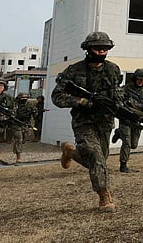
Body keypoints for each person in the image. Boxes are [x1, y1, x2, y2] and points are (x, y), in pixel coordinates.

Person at [51, 31, 124, 212]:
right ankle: (104, 195)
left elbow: (118, 92)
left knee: (100, 160)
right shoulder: (74, 71)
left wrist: (118, 104)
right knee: (95, 155)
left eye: (105, 48)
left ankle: (70, 152)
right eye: (97, 48)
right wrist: (83, 102)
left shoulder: (113, 70)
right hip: (83, 121)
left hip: (105, 121)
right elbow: (57, 96)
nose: (101, 52)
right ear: (88, 49)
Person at [112, 68, 143, 173]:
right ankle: (123, 165)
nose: (141, 82)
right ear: (134, 78)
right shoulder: (126, 89)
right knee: (127, 143)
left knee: (134, 145)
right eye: (139, 79)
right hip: (125, 119)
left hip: (137, 121)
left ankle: (118, 133)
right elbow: (118, 102)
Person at [9, 92, 36, 163]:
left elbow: (34, 115)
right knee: (19, 139)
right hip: (16, 124)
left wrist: (34, 112)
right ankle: (18, 157)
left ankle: (16, 147)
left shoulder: (29, 105)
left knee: (23, 140)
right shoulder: (15, 105)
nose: (24, 100)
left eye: (25, 98)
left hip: (25, 125)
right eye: (22, 98)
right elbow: (11, 114)